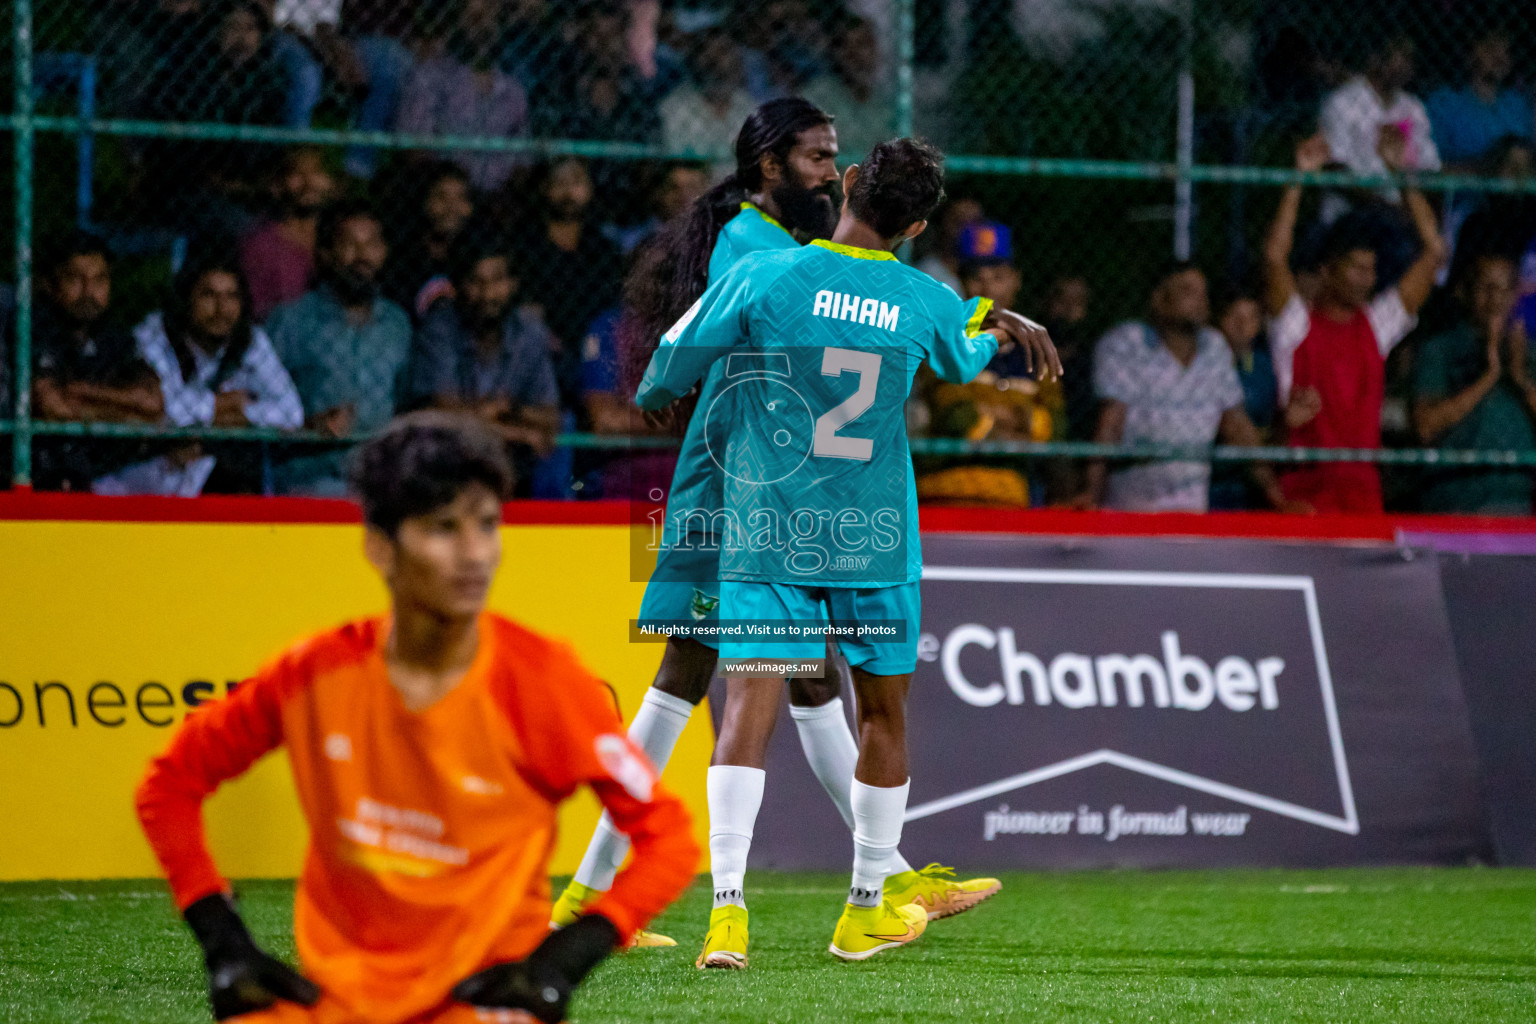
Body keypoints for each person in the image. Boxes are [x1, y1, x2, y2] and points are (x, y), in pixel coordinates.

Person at [551, 103, 1001, 961]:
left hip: (751, 481)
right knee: (727, 672)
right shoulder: (766, 252)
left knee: (782, 676)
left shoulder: (775, 251)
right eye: (816, 158)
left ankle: (879, 875)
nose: (830, 172)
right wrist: (961, 318)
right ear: (767, 168)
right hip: (729, 482)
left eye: (838, 160)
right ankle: (598, 893)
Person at [635, 137, 1059, 964]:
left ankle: (727, 914)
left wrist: (657, 393)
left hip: (770, 523)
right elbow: (967, 353)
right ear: (920, 224)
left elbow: (670, 358)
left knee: (744, 711)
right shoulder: (924, 297)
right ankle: (865, 904)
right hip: (872, 535)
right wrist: (988, 317)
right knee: (884, 713)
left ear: (855, 184)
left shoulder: (767, 274)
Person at [135, 412, 698, 1024]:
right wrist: (222, 940)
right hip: (337, 1003)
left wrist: (568, 956)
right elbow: (168, 786)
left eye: (487, 525)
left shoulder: (544, 681)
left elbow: (669, 837)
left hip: (486, 1006)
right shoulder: (313, 675)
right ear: (381, 547)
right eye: (443, 528)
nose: (474, 553)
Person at [1264, 134, 1445, 513]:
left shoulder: (1376, 326)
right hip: (1303, 496)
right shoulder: (1296, 325)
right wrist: (1298, 179)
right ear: (1328, 271)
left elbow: (1433, 252)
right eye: (1357, 268)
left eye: (1372, 270)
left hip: (1362, 495)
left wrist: (1403, 177)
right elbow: (1274, 258)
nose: (1367, 278)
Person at [1073, 262, 1297, 514]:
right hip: (1132, 505)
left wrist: (1276, 498)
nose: (1200, 300)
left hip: (1191, 508)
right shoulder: (1126, 343)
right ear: (1159, 300)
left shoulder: (1215, 348)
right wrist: (1091, 493)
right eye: (1187, 291)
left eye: (1203, 292)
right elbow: (1111, 422)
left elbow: (1237, 426)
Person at [103, 252, 302, 496]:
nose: (222, 309)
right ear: (186, 299)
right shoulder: (154, 335)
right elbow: (161, 407)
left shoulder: (251, 341)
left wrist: (237, 413)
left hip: (212, 466)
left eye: (231, 296)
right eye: (209, 295)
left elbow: (291, 413)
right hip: (147, 473)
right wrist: (220, 406)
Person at [267, 201, 413, 496]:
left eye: (371, 243)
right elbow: (258, 405)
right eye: (349, 244)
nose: (362, 255)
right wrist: (310, 425)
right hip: (309, 480)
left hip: (380, 482)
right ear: (326, 253)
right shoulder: (291, 321)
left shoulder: (397, 324)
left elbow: (405, 402)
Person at [406, 231, 560, 495]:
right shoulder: (439, 330)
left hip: (513, 473)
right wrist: (518, 432)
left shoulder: (529, 333)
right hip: (448, 475)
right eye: (476, 282)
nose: (488, 293)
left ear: (513, 283)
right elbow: (442, 417)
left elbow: (549, 417)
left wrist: (506, 409)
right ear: (458, 287)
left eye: (497, 280)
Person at [30, 232, 164, 492]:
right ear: (51, 283)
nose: (89, 291)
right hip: (48, 470)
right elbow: (53, 407)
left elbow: (153, 403)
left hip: (112, 467)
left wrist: (83, 393)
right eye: (75, 279)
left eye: (99, 279)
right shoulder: (36, 328)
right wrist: (128, 414)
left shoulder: (116, 337)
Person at [1412, 253, 1536, 515]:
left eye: (1505, 288)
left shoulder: (1528, 352)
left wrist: (1520, 379)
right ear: (1464, 292)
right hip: (1454, 501)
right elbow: (1426, 427)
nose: (1495, 299)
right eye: (1486, 287)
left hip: (1519, 504)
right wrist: (1489, 376)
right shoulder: (1439, 350)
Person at [516, 157, 625, 409]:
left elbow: (611, 308)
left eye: (576, 182)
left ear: (589, 187)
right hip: (546, 346)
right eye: (559, 183)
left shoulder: (603, 248)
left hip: (595, 344)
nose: (568, 193)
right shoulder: (527, 247)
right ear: (545, 188)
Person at [395, 0, 531, 194]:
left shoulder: (514, 92)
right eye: (474, 18)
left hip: (497, 199)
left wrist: (508, 196)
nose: (483, 27)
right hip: (445, 194)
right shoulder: (429, 79)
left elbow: (523, 160)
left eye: (490, 18)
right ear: (456, 24)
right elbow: (415, 151)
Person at [240, 147, 338, 322]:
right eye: (297, 173)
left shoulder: (342, 237)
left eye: (317, 171)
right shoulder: (261, 245)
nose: (308, 183)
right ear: (277, 185)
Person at [1208, 288, 1279, 511]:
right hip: (1213, 483)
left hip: (1250, 485)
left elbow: (1271, 426)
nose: (1243, 326)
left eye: (1251, 318)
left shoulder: (1264, 367)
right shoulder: (1206, 361)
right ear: (1220, 320)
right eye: (1235, 317)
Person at [382, 162, 476, 322]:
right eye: (441, 197)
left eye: (461, 197)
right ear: (425, 201)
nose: (452, 208)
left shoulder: (474, 254)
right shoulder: (404, 257)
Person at [1427, 29, 1532, 170]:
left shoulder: (1518, 104)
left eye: (1507, 51)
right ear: (1471, 53)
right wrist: (1487, 167)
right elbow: (1431, 167)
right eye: (1491, 48)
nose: (1500, 57)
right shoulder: (1444, 103)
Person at [660, 28, 758, 176]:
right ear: (694, 60)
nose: (715, 61)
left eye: (722, 52)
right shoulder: (675, 109)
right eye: (706, 53)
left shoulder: (750, 109)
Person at [800, 17, 890, 169]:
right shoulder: (818, 95)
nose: (858, 56)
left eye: (864, 45)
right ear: (837, 54)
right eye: (849, 47)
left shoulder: (887, 104)